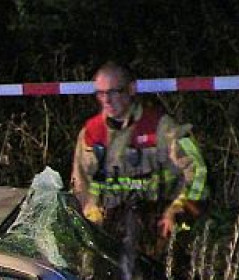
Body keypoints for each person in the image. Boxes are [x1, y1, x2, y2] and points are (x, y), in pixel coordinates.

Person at [71, 61, 208, 258]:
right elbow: (80, 184)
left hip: (158, 226)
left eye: (113, 92)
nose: (106, 100)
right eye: (100, 93)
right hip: (111, 230)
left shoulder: (162, 127)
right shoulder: (91, 133)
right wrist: (91, 213)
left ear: (131, 89)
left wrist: (178, 208)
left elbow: (198, 172)